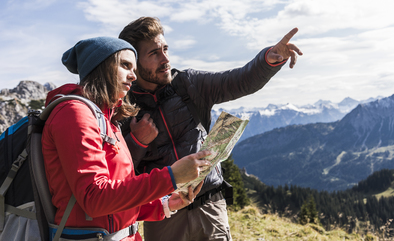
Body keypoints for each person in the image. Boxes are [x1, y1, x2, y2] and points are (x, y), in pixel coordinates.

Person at [119, 17, 303, 241]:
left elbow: (238, 80)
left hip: (210, 206)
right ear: (134, 61)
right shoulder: (124, 107)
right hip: (163, 214)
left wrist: (268, 60)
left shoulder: (188, 83)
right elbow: (119, 173)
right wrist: (137, 142)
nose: (165, 59)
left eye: (165, 49)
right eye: (154, 54)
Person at [42, 36, 212, 241]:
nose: (133, 76)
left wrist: (164, 204)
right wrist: (171, 176)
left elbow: (118, 197)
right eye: (125, 65)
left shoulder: (108, 121)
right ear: (100, 67)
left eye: (134, 69)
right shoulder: (73, 113)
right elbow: (94, 199)